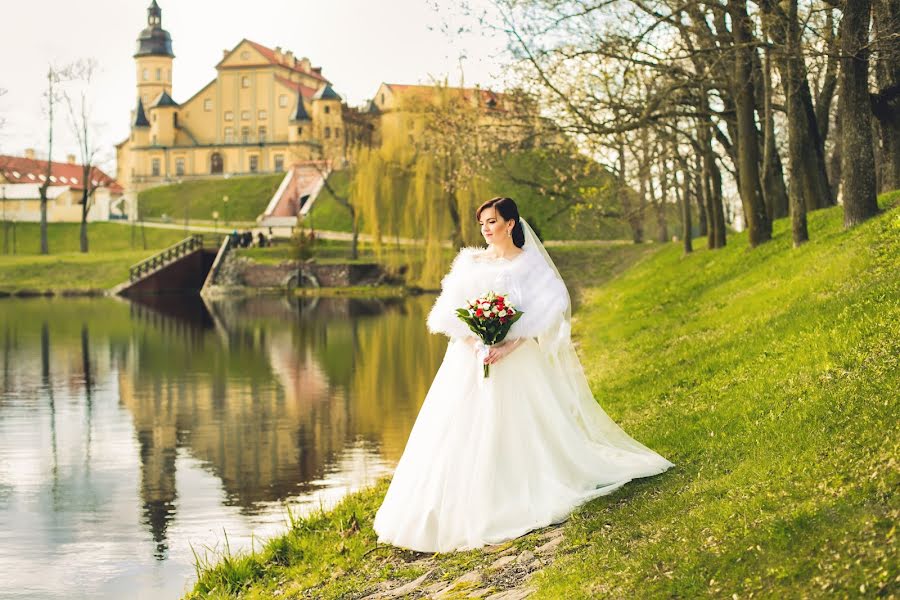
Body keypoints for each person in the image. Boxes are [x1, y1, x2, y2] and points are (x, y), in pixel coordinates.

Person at [373, 197, 674, 553]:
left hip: (516, 357)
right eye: (482, 223)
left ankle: (520, 489)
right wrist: (478, 345)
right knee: (458, 426)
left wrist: (505, 346)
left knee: (520, 423)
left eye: (492, 222)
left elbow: (545, 310)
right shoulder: (470, 262)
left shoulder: (530, 265)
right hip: (469, 359)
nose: (486, 229)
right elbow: (452, 313)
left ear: (511, 224)